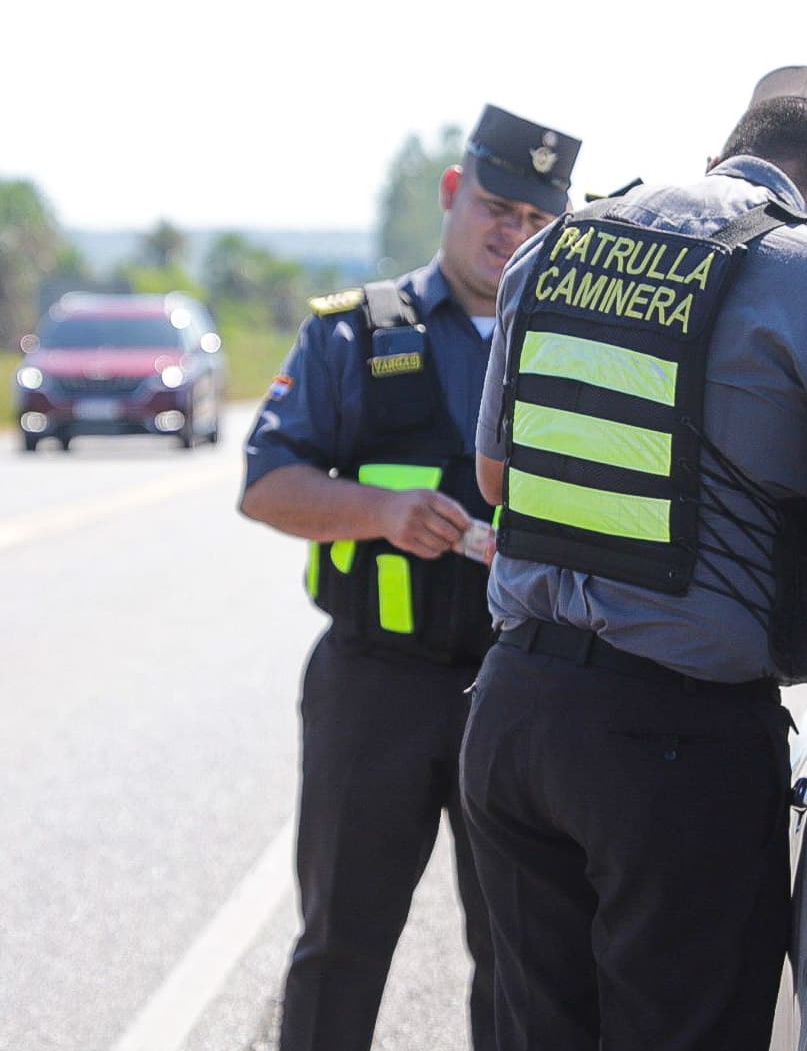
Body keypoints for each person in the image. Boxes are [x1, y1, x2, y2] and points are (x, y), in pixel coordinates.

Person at [460, 67, 807, 1050]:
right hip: (674, 750)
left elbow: (498, 481)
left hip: (513, 715)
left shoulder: (555, 246)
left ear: (718, 157)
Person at [240, 104, 582, 1051]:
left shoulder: (575, 352)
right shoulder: (357, 334)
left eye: (537, 222)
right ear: (451, 193)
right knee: (341, 948)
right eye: (496, 206)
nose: (511, 235)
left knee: (521, 960)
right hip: (376, 687)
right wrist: (382, 514)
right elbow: (265, 483)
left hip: (520, 691)